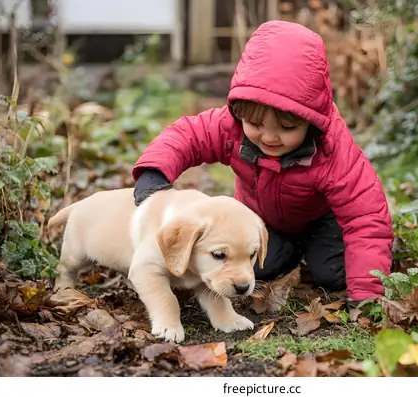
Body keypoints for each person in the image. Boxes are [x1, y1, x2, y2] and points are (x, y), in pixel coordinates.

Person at [131, 20, 393, 308]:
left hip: (322, 222)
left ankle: (315, 252)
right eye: (255, 123)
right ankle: (286, 251)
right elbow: (187, 137)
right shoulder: (231, 129)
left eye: (287, 127)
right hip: (261, 219)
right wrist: (154, 172)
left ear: (311, 120)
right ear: (240, 111)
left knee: (331, 274)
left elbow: (366, 218)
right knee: (255, 270)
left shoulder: (333, 151)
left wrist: (367, 292)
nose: (268, 136)